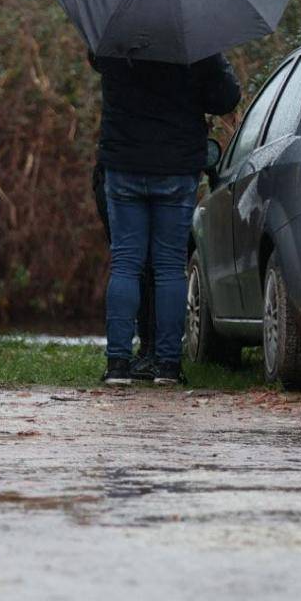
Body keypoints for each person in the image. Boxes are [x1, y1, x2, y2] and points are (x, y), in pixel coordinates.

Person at [95, 51, 240, 385]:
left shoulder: (114, 36)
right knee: (170, 266)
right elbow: (226, 96)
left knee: (126, 263)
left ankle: (118, 364)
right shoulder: (193, 40)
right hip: (177, 165)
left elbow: (96, 60)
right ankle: (167, 366)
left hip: (124, 163)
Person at [92, 162, 155, 374]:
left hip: (116, 170)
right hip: (170, 171)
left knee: (127, 265)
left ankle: (119, 360)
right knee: (161, 267)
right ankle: (161, 358)